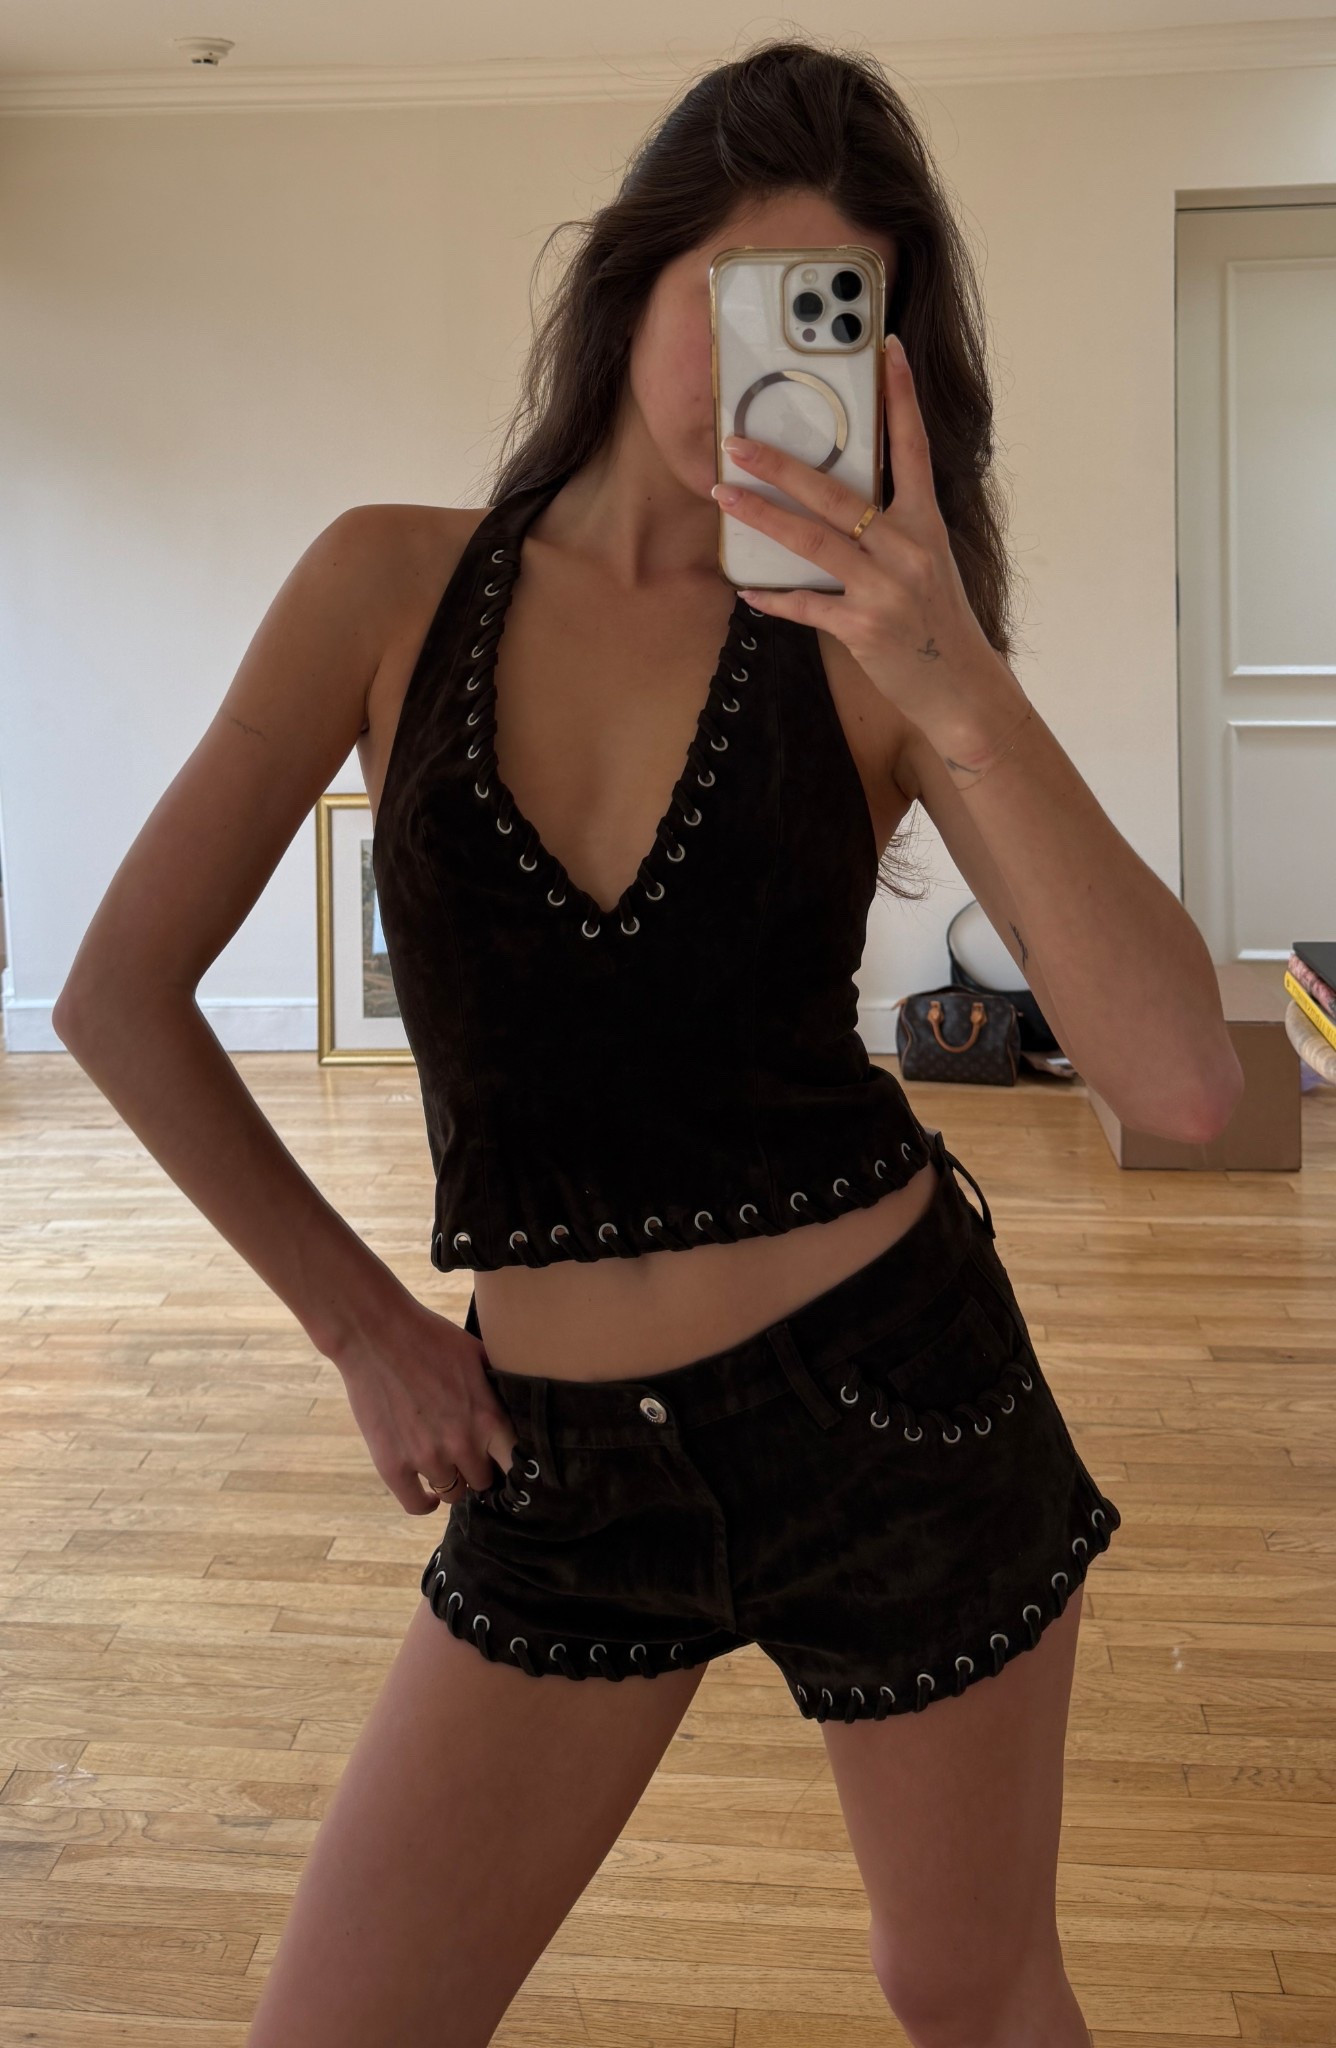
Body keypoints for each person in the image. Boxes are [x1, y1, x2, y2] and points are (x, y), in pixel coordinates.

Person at [54, 36, 1240, 2048]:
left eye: (836, 319)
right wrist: (363, 1326)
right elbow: (115, 994)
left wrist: (952, 670)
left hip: (897, 1408)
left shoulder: (870, 648)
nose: (772, 362)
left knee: (963, 1983)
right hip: (560, 1466)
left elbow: (1185, 1085)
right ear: (634, 270)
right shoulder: (384, 582)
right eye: (745, 295)